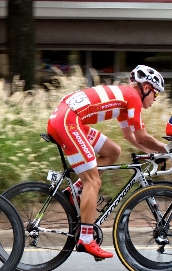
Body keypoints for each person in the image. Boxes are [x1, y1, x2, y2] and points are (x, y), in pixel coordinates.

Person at [47, 65, 167, 259]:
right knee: (93, 181)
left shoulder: (126, 97)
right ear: (146, 88)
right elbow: (143, 136)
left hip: (66, 118)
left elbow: (130, 136)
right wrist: (166, 150)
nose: (156, 99)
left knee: (113, 151)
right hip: (68, 121)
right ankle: (86, 239)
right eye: (156, 94)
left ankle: (74, 192)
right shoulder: (133, 98)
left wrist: (153, 154)